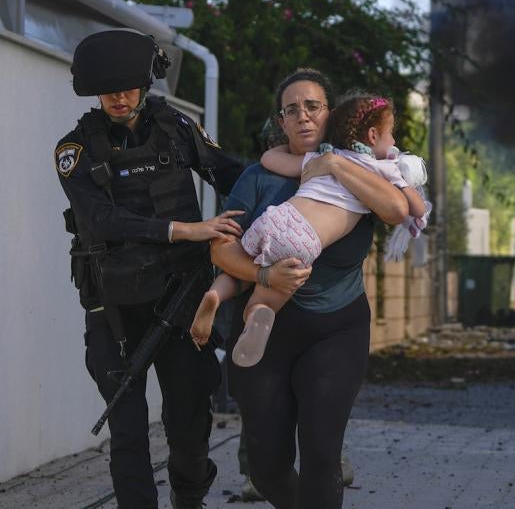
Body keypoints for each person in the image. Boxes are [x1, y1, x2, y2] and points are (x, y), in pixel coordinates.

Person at [55, 29, 246, 509]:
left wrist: (292, 189)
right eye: (109, 89)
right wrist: (187, 230)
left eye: (128, 87)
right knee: (128, 427)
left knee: (189, 422)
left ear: (145, 83)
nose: (119, 98)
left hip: (182, 297)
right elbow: (102, 219)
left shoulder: (176, 128)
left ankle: (189, 498)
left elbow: (228, 174)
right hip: (114, 305)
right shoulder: (74, 149)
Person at [210, 69, 410, 508]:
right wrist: (265, 277)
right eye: (291, 110)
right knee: (266, 467)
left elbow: (397, 208)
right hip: (267, 329)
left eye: (313, 107)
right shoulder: (258, 177)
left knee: (322, 450)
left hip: (337, 328)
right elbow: (222, 251)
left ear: (332, 114)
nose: (303, 117)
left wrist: (334, 163)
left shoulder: (358, 167)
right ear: (280, 121)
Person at [190, 94, 428, 367]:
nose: (394, 143)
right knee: (269, 295)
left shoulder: (323, 157)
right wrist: (407, 183)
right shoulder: (383, 170)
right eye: (391, 136)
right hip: (304, 240)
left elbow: (270, 159)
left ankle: (215, 295)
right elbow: (415, 209)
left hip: (276, 218)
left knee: (241, 268)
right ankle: (257, 314)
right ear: (373, 136)